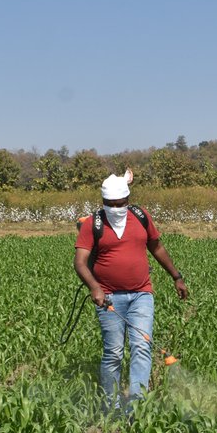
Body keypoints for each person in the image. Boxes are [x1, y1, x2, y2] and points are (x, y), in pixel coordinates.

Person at [74, 168, 188, 414]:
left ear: (128, 200)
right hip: (109, 298)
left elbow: (157, 248)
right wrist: (95, 287)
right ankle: (111, 407)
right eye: (110, 204)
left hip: (141, 294)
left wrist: (176, 277)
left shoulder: (140, 216)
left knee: (141, 346)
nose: (116, 208)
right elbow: (80, 262)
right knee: (114, 353)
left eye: (120, 203)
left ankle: (137, 407)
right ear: (103, 202)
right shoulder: (93, 224)